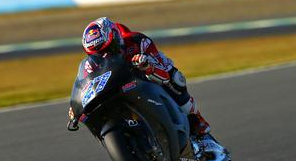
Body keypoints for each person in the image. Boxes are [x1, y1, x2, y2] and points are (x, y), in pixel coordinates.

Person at [68, 17, 211, 139]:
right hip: (117, 89)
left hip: (146, 80)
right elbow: (84, 84)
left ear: (116, 37)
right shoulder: (90, 64)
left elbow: (165, 76)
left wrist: (148, 67)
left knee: (176, 79)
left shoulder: (137, 42)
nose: (104, 55)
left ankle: (196, 119)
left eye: (108, 48)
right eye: (97, 54)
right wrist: (77, 105)